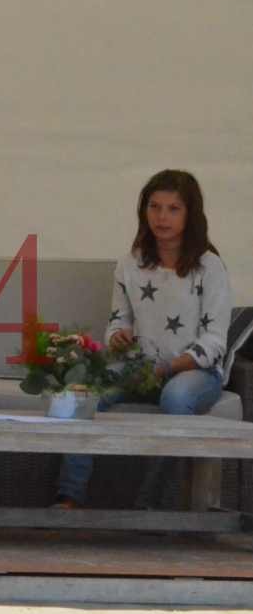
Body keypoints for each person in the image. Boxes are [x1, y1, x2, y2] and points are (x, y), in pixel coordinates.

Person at [54, 169, 232, 509]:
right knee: (79, 393)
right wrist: (118, 337)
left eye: (173, 208)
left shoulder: (210, 268)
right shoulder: (130, 264)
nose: (162, 217)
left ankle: (151, 505)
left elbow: (214, 341)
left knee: (176, 398)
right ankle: (68, 497)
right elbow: (117, 321)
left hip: (192, 370)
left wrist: (168, 367)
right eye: (154, 206)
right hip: (141, 364)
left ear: (190, 214)